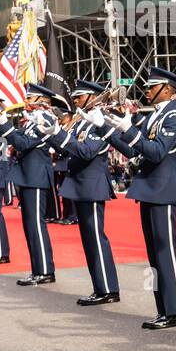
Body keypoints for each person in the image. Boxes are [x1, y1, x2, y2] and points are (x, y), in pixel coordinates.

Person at [97, 67, 176, 329]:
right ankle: (162, 307)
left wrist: (130, 129)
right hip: (150, 188)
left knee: (165, 252)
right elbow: (134, 148)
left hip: (164, 189)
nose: (147, 90)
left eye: (153, 87)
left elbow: (157, 152)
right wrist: (109, 128)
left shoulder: (175, 116)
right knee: (153, 255)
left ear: (168, 89)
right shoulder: (155, 116)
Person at [42, 80, 122, 305]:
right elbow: (66, 149)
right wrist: (51, 133)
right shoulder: (81, 122)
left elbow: (87, 152)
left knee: (96, 239)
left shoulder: (100, 121)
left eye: (80, 96)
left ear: (92, 97)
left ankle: (108, 288)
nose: (75, 100)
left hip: (93, 184)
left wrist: (61, 135)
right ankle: (100, 287)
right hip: (80, 184)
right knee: (88, 240)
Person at [0, 85, 60, 286]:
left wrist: (3, 122)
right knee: (29, 226)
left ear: (42, 100)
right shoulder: (30, 122)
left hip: (36, 177)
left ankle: (45, 270)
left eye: (31, 97)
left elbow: (22, 144)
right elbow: (16, 137)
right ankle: (38, 269)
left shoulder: (47, 120)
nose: (27, 101)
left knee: (36, 225)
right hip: (27, 176)